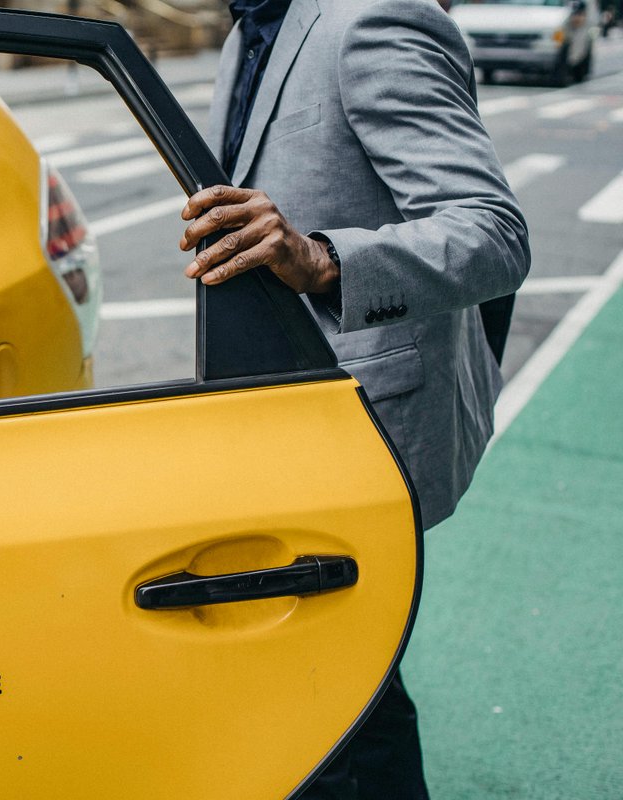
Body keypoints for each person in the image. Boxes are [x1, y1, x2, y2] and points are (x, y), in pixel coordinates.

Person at [180, 0, 530, 797]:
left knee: (334, 702)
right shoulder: (246, 31)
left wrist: (321, 257)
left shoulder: (373, 19)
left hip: (362, 424)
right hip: (275, 415)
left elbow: (493, 233)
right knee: (346, 691)